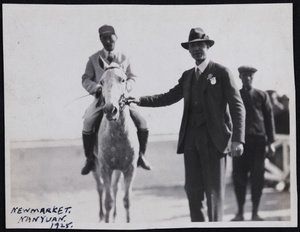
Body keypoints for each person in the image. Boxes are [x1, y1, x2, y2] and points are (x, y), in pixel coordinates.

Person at [127, 27, 246, 222]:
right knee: (193, 192)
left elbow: (237, 106)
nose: (196, 50)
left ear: (208, 46)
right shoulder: (188, 76)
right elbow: (167, 97)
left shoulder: (222, 72)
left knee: (214, 194)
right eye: (192, 47)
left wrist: (238, 140)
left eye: (200, 45)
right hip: (190, 141)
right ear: (189, 51)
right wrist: (138, 99)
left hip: (215, 141)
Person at [81, 24, 152, 175]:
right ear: (100, 39)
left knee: (143, 120)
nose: (108, 41)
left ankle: (141, 156)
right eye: (104, 38)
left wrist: (127, 89)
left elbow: (133, 77)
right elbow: (86, 79)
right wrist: (96, 87)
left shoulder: (125, 58)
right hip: (102, 100)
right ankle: (90, 159)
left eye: (110, 37)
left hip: (123, 99)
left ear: (116, 37)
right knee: (87, 120)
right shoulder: (94, 59)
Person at [231, 66, 276, 221]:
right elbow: (229, 118)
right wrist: (231, 141)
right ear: (240, 77)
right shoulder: (235, 95)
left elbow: (269, 119)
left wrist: (271, 142)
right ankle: (240, 213)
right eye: (244, 75)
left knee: (258, 178)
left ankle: (255, 212)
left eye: (250, 75)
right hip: (240, 143)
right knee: (239, 178)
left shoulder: (261, 95)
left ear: (253, 77)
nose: (248, 78)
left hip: (258, 142)